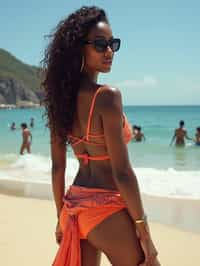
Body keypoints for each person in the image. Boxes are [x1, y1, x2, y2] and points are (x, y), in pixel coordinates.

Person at [42, 6, 160, 266]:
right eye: (100, 44)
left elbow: (57, 167)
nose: (109, 51)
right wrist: (143, 229)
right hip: (106, 208)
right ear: (79, 49)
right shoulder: (107, 96)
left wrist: (61, 217)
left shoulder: (59, 101)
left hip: (74, 209)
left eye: (112, 44)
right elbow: (122, 172)